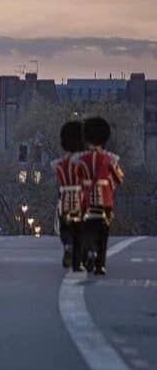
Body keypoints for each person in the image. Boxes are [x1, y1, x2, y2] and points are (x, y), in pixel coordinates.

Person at [77, 116, 124, 276]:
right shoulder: (109, 159)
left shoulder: (82, 159)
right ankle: (100, 265)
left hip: (87, 199)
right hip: (105, 199)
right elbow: (119, 178)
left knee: (85, 229)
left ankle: (88, 251)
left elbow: (77, 179)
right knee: (103, 232)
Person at [52, 120, 85, 271]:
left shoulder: (60, 163)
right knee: (79, 231)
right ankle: (77, 263)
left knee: (65, 228)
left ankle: (67, 245)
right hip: (80, 197)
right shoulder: (84, 162)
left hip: (65, 197)